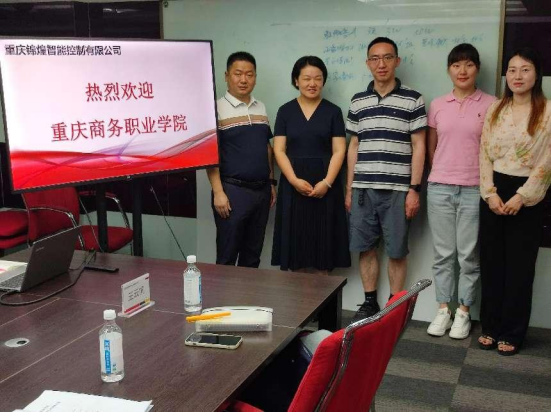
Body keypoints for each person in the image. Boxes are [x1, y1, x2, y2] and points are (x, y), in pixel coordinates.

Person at [346, 37, 427, 323]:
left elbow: (419, 146)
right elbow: (353, 146)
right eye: (375, 58)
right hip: (363, 189)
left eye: (387, 57)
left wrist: (414, 189)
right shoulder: (358, 101)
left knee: (396, 250)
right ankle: (369, 302)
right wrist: (349, 188)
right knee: (366, 247)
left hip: (398, 190)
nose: (381, 64)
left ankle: (394, 305)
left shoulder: (413, 99)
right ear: (368, 63)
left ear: (397, 61)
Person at [478, 47, 551, 356]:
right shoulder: (495, 109)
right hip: (495, 190)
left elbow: (547, 161)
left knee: (520, 268)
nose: (517, 76)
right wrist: (490, 192)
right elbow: (484, 152)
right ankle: (490, 326)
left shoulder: (547, 111)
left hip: (528, 194)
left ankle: (512, 332)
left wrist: (523, 196)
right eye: (512, 70)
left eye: (525, 69)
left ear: (537, 74)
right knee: (491, 263)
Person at [425, 44, 496, 339]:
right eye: (456, 65)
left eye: (468, 64)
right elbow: (431, 148)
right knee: (443, 254)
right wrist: (444, 172)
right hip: (440, 187)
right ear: (449, 70)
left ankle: (464, 312)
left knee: (468, 256)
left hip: (474, 189)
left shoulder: (492, 104)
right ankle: (444, 309)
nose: (462, 71)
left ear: (477, 68)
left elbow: (493, 150)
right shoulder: (437, 104)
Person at [271, 56, 350, 273]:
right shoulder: (285, 111)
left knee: (324, 249)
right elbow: (279, 150)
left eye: (318, 78)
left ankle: (324, 295)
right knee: (296, 250)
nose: (312, 83)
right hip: (293, 184)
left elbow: (339, 150)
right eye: (306, 78)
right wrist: (293, 180)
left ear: (324, 81)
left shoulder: (333, 111)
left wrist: (327, 182)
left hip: (326, 185)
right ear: (296, 80)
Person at [207, 51, 276, 268]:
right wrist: (218, 192)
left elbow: (266, 147)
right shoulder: (215, 109)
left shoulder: (260, 107)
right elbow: (210, 155)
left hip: (261, 191)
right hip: (232, 191)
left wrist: (271, 183)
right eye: (238, 74)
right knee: (227, 256)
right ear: (227, 76)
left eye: (249, 74)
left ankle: (248, 294)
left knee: (252, 257)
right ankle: (224, 293)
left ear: (255, 77)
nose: (243, 80)